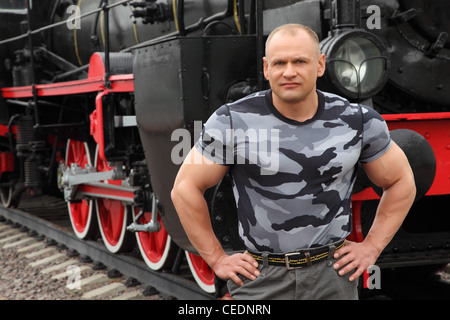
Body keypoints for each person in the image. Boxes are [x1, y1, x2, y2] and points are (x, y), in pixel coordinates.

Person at [171, 23, 416, 299]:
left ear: (320, 64)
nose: (289, 72)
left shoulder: (357, 120)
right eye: (279, 63)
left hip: (332, 275)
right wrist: (216, 258)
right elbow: (184, 188)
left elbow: (401, 181)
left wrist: (371, 247)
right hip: (260, 278)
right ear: (266, 68)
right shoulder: (232, 120)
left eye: (300, 61)